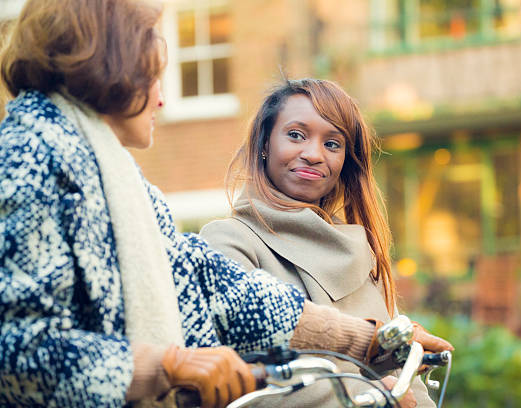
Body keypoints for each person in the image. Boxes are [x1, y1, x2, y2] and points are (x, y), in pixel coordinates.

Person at [0, 2, 434, 407]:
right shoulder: (30, 154)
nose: (161, 99)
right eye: (152, 76)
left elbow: (219, 287)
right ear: (111, 67)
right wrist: (166, 365)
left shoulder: (121, 181)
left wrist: (368, 340)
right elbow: (15, 350)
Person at [200, 78, 453, 407]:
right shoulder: (228, 241)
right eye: (295, 135)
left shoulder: (361, 251)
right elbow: (244, 380)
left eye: (333, 144)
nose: (313, 154)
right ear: (264, 143)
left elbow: (409, 382)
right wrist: (377, 397)